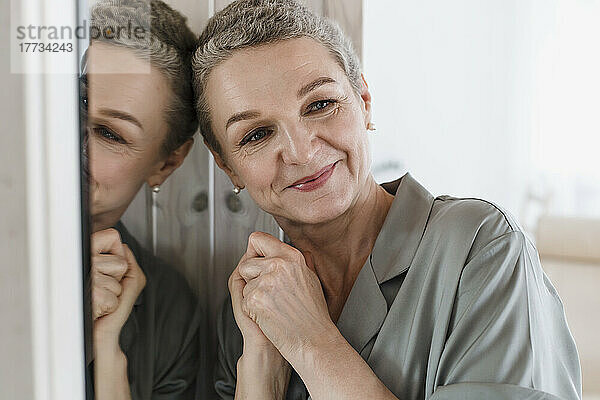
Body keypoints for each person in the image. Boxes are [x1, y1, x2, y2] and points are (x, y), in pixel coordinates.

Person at [191, 0, 582, 399]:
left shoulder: (480, 246)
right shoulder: (251, 304)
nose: (301, 153)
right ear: (228, 166)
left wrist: (312, 342)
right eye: (256, 135)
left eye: (320, 105)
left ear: (364, 102)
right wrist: (260, 368)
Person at [82, 0, 200, 398]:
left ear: (166, 163)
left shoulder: (170, 312)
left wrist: (105, 351)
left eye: (110, 134)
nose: (70, 142)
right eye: (76, 103)